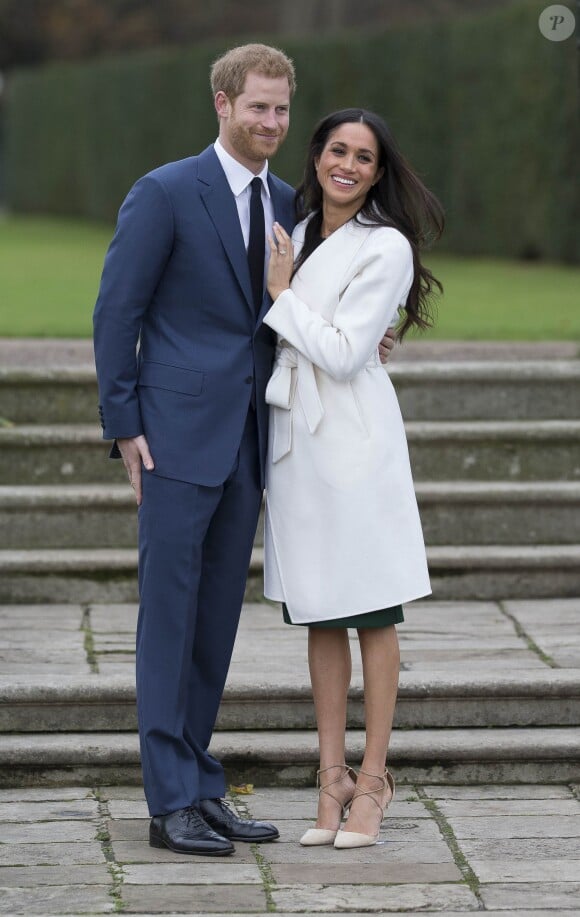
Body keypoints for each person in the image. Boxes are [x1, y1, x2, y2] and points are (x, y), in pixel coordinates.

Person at [93, 42, 396, 856]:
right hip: (174, 440)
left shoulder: (292, 206)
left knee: (216, 621)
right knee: (168, 620)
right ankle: (169, 803)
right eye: (257, 106)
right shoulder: (164, 192)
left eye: (281, 108)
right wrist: (123, 423)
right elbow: (116, 312)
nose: (271, 121)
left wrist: (373, 339)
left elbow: (314, 310)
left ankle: (200, 781)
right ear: (222, 104)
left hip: (254, 445)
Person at [263, 108, 444, 849]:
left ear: (377, 172)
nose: (348, 164)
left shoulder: (387, 244)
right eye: (337, 149)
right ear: (317, 155)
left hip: (356, 438)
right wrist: (293, 296)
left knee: (372, 604)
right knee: (320, 608)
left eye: (363, 157)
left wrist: (283, 296)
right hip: (296, 441)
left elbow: (340, 354)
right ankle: (329, 777)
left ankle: (373, 780)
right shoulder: (298, 233)